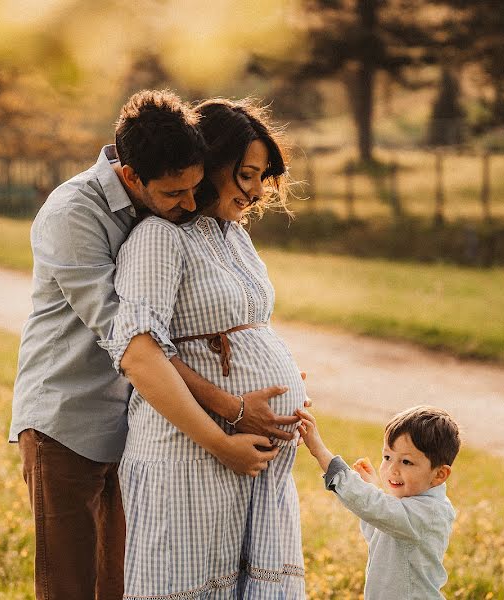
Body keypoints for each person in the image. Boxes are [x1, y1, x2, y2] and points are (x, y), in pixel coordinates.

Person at [9, 90, 295, 600]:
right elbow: (137, 346)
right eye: (174, 194)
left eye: (195, 188)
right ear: (131, 175)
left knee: (120, 586)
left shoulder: (165, 208)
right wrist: (230, 411)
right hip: (69, 418)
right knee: (70, 587)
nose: (188, 204)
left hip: (131, 424)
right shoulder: (74, 215)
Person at [100, 98, 307, 598]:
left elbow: (247, 328)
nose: (258, 191)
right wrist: (234, 410)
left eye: (263, 177)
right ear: (211, 165)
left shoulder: (235, 238)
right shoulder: (158, 239)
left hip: (253, 470)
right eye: (247, 175)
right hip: (188, 458)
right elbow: (141, 346)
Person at [296, 405, 461, 600]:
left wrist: (320, 452)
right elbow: (378, 528)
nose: (392, 469)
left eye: (406, 462)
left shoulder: (430, 513)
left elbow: (377, 509)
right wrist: (372, 488)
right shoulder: (408, 505)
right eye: (387, 457)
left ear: (439, 474)